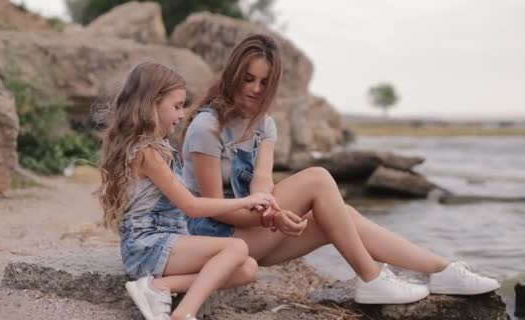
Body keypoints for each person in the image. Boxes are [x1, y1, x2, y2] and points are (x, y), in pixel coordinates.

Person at [181, 34, 500, 304]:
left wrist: (271, 209)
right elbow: (216, 209)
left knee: (342, 216)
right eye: (248, 79)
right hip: (216, 242)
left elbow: (262, 181)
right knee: (318, 179)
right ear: (232, 75)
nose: (255, 89)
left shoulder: (264, 125)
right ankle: (371, 277)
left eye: (265, 82)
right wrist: (274, 215)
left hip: (253, 234)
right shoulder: (207, 128)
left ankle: (440, 270)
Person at [97, 62, 278, 320]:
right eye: (177, 106)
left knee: (248, 268)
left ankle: (159, 287)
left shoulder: (160, 148)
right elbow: (191, 206)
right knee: (236, 248)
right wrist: (245, 201)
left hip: (165, 244)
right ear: (151, 104)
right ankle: (184, 313)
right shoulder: (146, 153)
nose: (182, 115)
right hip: (147, 247)